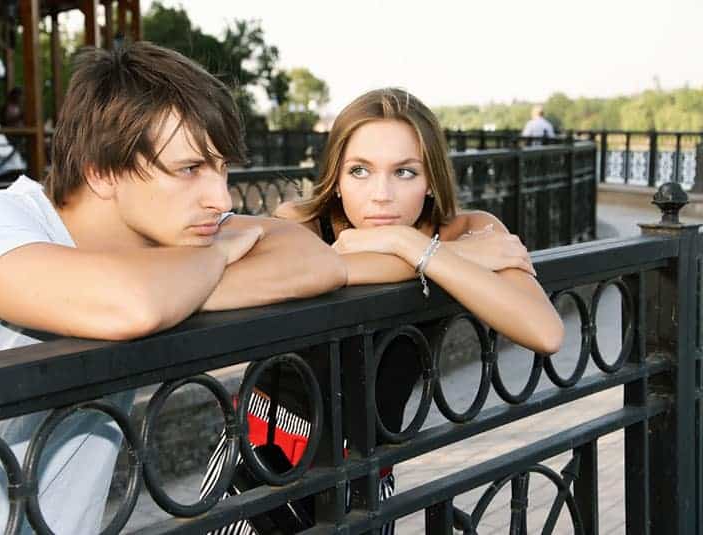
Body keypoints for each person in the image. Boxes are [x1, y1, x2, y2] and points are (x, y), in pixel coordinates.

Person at [0, 42, 346, 534]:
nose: (219, 198)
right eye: (190, 169)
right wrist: (214, 257)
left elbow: (315, 261)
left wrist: (180, 290)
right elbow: (131, 306)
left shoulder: (168, 248)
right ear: (102, 170)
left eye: (222, 168)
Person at [205, 88, 565, 534]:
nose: (381, 195)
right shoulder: (298, 222)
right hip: (265, 450)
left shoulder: (469, 229)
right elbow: (324, 270)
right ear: (335, 176)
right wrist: (447, 260)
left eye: (405, 172)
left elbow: (545, 331)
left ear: (431, 178)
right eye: (360, 171)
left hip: (370, 468)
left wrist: (409, 243)